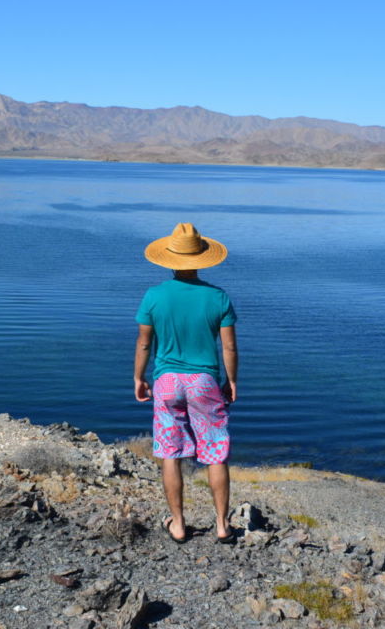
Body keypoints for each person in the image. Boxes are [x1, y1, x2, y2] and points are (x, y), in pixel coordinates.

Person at [134, 222, 239, 544]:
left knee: (170, 452)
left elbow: (143, 343)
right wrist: (232, 380)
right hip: (204, 381)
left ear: (169, 259)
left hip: (166, 381)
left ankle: (178, 524)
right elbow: (229, 347)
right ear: (202, 258)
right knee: (215, 452)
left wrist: (138, 377)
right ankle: (222, 525)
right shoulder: (218, 297)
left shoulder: (154, 296)